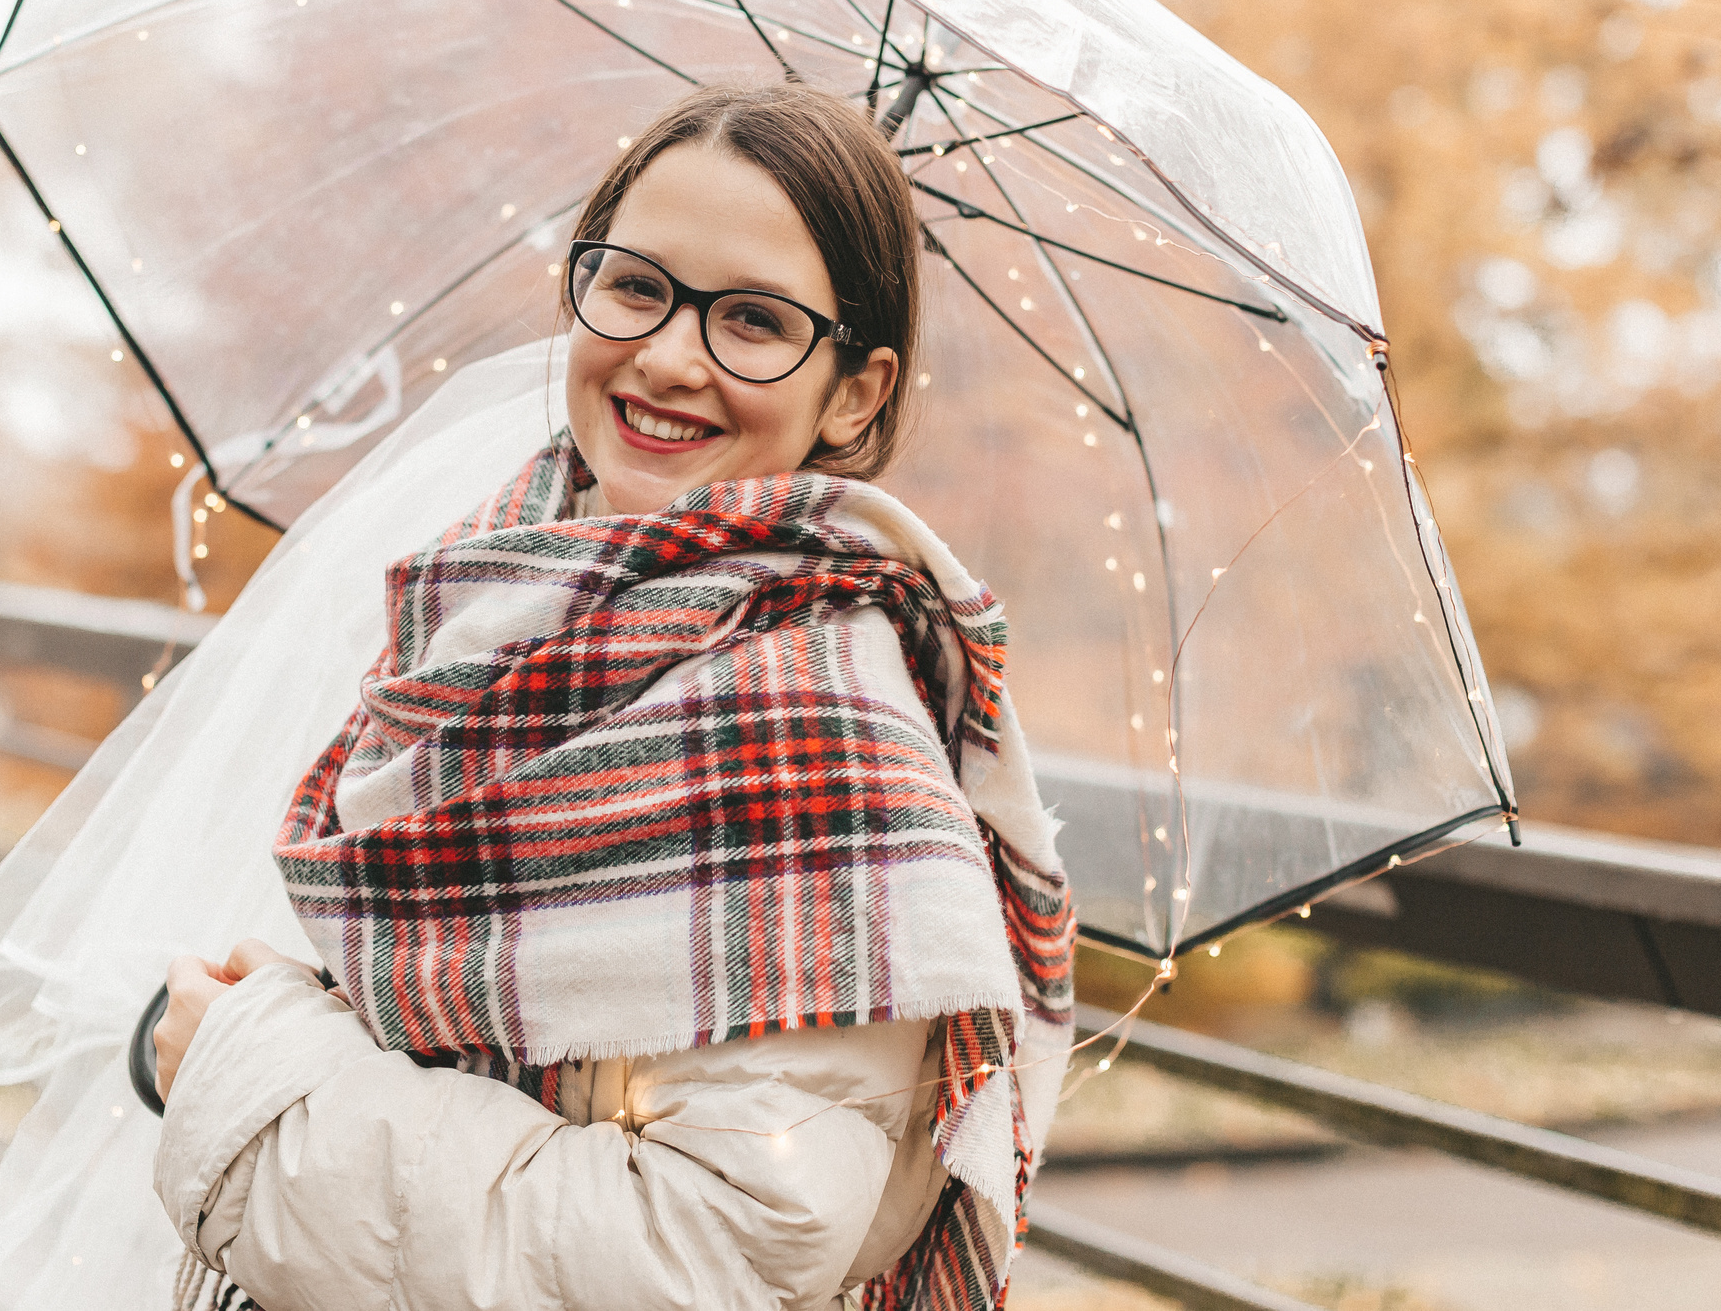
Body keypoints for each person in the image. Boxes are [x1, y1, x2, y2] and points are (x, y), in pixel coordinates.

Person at [147, 82, 1073, 1311]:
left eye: (753, 321)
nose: (669, 357)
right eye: (637, 286)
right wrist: (305, 1016)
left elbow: (707, 1255)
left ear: (854, 391)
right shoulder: (495, 607)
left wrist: (254, 1077)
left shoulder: (822, 748)